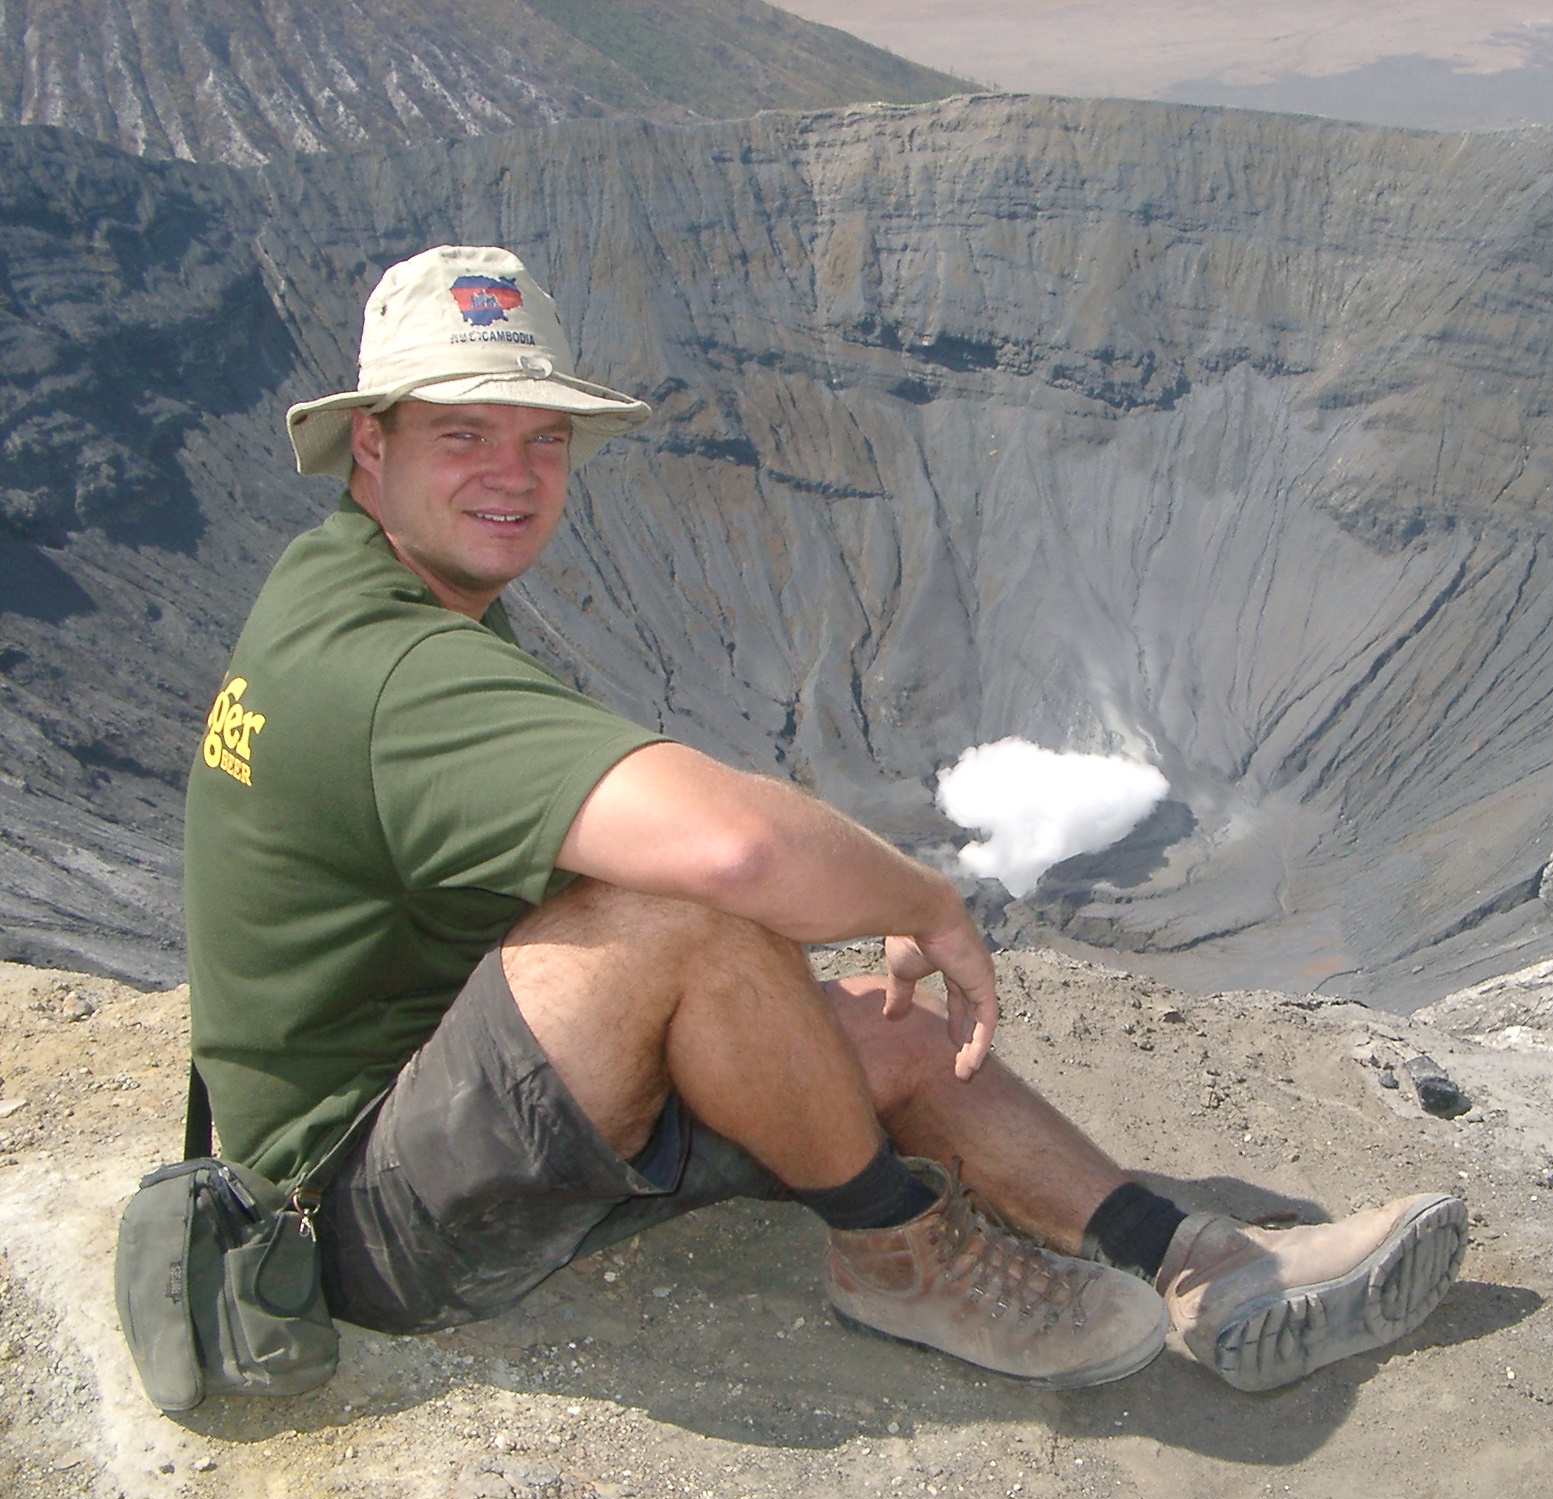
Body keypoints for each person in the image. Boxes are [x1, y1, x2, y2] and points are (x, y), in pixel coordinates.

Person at [183, 244, 1467, 1396]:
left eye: (545, 439)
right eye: (465, 436)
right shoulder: (392, 666)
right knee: (682, 909)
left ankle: (1204, 1262)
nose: (515, 476)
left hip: (472, 1100)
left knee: (881, 1036)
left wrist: (807, 995)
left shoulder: (364, 583)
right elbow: (729, 848)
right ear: (372, 444)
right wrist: (924, 900)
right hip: (360, 1213)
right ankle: (896, 1255)